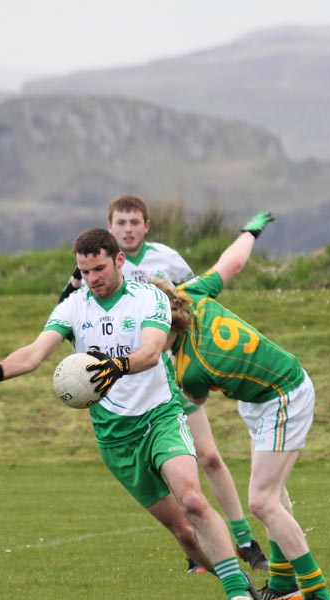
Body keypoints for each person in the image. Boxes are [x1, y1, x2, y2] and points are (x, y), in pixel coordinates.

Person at [0, 227, 271, 600]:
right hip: (114, 436)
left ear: (118, 261)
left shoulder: (149, 298)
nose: (93, 279)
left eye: (99, 269)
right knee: (183, 533)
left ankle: (239, 598)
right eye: (85, 272)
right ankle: (235, 576)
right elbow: (36, 353)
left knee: (192, 500)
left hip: (160, 416)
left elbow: (153, 350)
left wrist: (116, 365)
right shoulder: (74, 307)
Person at [59, 195, 268, 575]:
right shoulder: (91, 269)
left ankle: (244, 540)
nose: (127, 229)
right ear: (110, 228)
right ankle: (198, 546)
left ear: (146, 226)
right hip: (124, 388)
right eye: (120, 223)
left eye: (134, 222)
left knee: (208, 457)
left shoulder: (166, 259)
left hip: (170, 376)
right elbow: (66, 308)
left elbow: (191, 304)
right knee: (169, 469)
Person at [153, 213, 330, 600]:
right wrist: (250, 231)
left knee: (262, 501)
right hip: (263, 396)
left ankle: (319, 595)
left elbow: (192, 402)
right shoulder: (193, 294)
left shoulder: (191, 368)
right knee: (276, 494)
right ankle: (286, 587)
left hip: (282, 394)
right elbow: (231, 263)